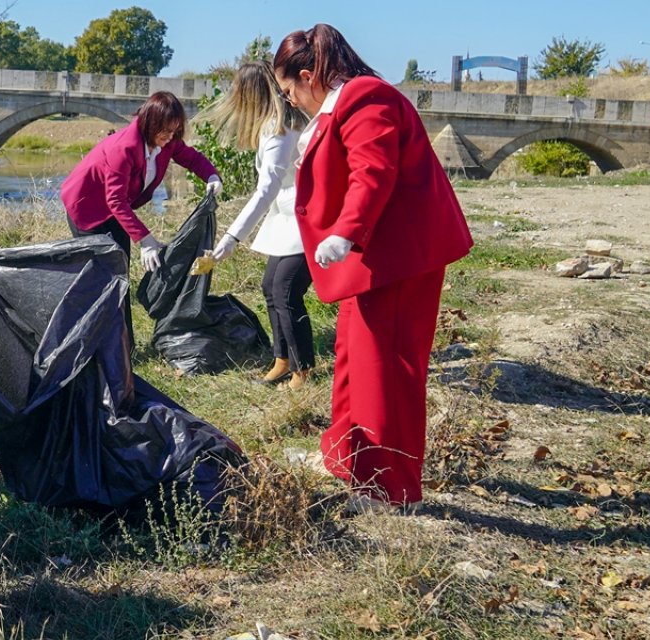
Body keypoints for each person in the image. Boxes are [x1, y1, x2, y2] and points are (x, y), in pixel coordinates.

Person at [273, 24, 473, 511]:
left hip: (399, 258)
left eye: (288, 91)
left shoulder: (366, 97)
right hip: (377, 261)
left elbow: (373, 168)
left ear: (307, 75)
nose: (291, 101)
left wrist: (346, 229)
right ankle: (345, 457)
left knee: (388, 369)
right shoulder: (344, 102)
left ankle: (389, 488)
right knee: (352, 362)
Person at [61, 90, 223, 343]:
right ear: (151, 123)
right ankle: (91, 341)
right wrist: (145, 240)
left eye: (175, 131)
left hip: (116, 208)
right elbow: (114, 199)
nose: (170, 137)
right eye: (165, 131)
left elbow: (191, 157)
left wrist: (211, 176)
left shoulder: (166, 142)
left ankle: (124, 345)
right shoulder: (123, 148)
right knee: (103, 276)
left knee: (120, 272)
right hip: (87, 209)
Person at [198, 61, 314, 390]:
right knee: (270, 285)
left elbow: (267, 189)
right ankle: (282, 359)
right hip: (287, 218)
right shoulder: (276, 124)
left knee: (286, 290)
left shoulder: (281, 129)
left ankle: (302, 369)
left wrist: (233, 236)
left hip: (302, 221)